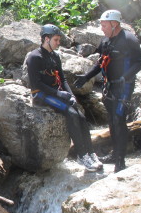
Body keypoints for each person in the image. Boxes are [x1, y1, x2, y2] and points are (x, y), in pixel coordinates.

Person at [74, 10, 141, 172]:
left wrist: (125, 77)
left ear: (114, 24)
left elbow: (139, 63)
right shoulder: (106, 40)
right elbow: (100, 63)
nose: (102, 28)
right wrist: (87, 77)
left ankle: (121, 160)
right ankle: (115, 154)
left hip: (124, 86)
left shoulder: (129, 39)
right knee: (112, 120)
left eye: (104, 25)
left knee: (119, 120)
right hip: (109, 85)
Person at [27, 24, 104, 172]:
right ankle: (82, 156)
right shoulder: (34, 57)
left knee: (81, 117)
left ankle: (91, 153)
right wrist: (59, 94)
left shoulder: (55, 57)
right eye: (56, 40)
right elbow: (36, 84)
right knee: (72, 114)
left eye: (58, 40)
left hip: (55, 93)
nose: (58, 43)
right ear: (46, 39)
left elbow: (62, 80)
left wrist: (71, 95)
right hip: (41, 95)